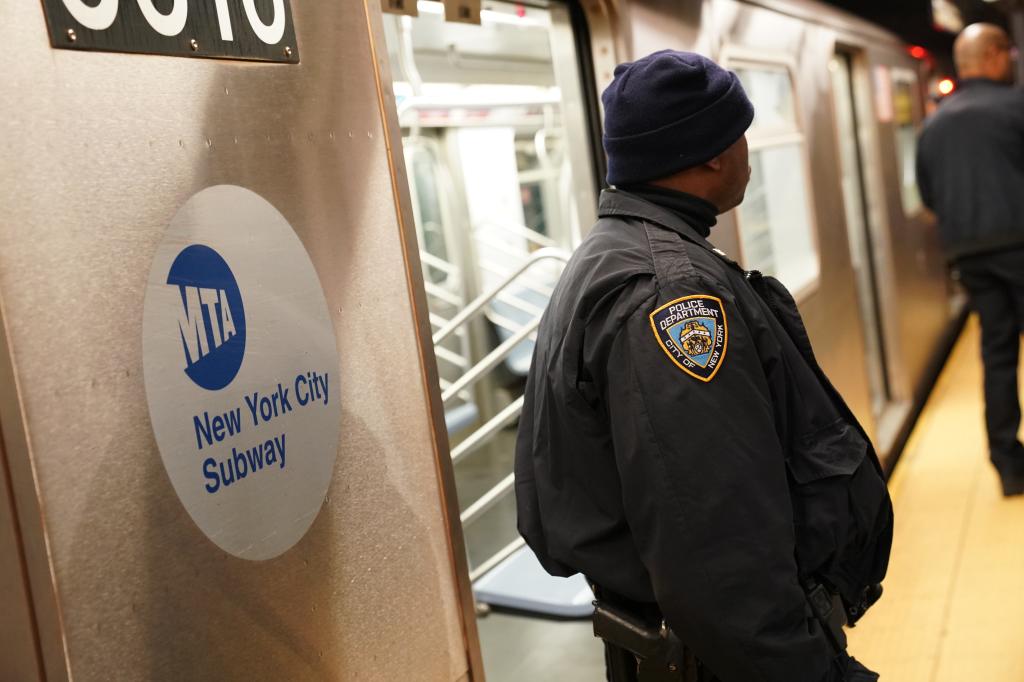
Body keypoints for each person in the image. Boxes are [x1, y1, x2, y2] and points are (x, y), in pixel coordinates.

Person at [514, 50, 893, 682]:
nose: (747, 150)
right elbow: (716, 542)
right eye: (740, 133)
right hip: (732, 661)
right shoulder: (672, 295)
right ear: (713, 152)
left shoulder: (609, 253)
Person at [916, 23, 1024, 497]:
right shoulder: (1017, 106)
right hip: (1020, 244)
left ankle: (1008, 465)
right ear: (996, 55)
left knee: (997, 353)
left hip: (970, 255)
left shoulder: (934, 123)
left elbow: (929, 196)